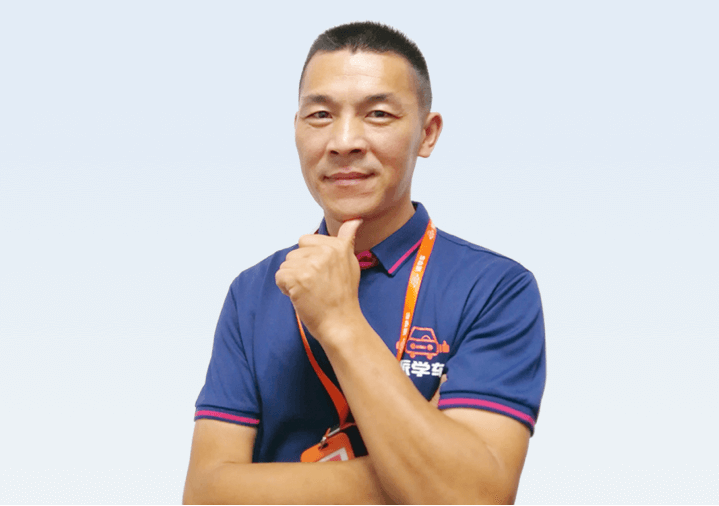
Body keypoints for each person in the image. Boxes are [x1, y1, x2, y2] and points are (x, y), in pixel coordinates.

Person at [183, 21, 545, 504]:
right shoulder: (254, 291)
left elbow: (471, 499)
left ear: (427, 134)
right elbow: (204, 494)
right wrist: (417, 471)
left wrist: (340, 321)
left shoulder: (494, 288)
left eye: (377, 114)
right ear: (296, 129)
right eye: (320, 115)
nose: (344, 141)